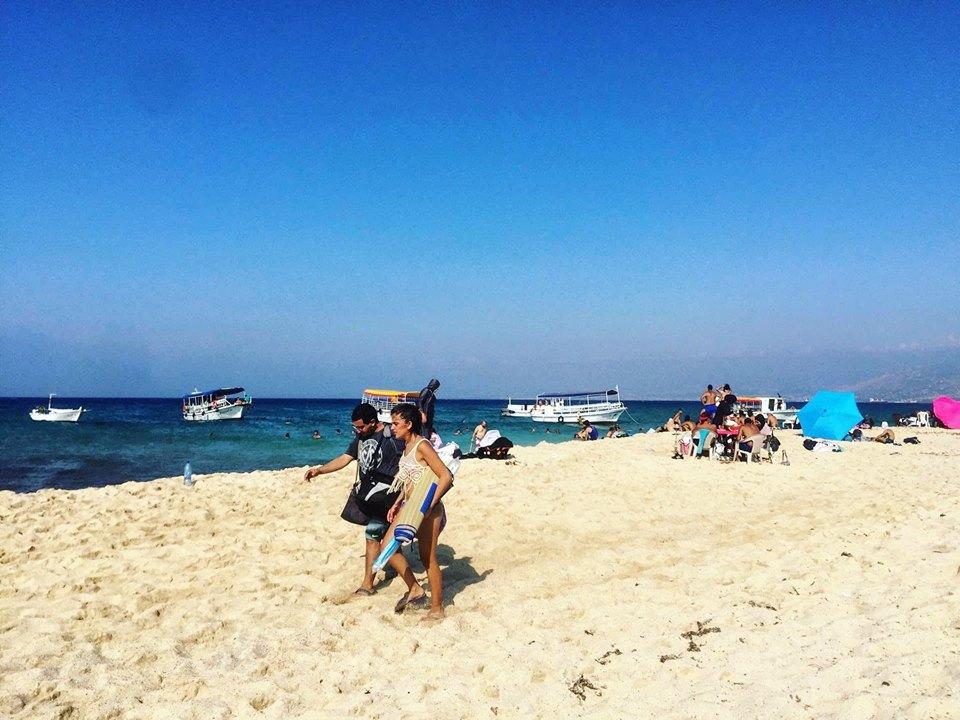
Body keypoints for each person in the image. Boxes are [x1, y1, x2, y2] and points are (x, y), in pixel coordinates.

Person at [303, 403, 404, 596]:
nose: (357, 431)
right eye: (355, 427)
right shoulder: (360, 437)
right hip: (369, 494)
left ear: (373, 422)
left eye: (360, 427)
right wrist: (320, 470)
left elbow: (413, 451)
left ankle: (367, 584)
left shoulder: (392, 435)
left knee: (372, 535)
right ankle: (395, 562)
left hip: (387, 496)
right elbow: (345, 458)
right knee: (383, 536)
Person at [383, 403, 454, 621]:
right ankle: (415, 588)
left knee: (427, 558)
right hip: (410, 508)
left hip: (428, 511)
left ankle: (437, 608)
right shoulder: (405, 449)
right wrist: (397, 503)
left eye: (396, 423)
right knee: (386, 548)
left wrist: (430, 504)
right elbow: (410, 482)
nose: (392, 428)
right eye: (391, 423)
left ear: (409, 424)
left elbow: (446, 476)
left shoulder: (422, 446)